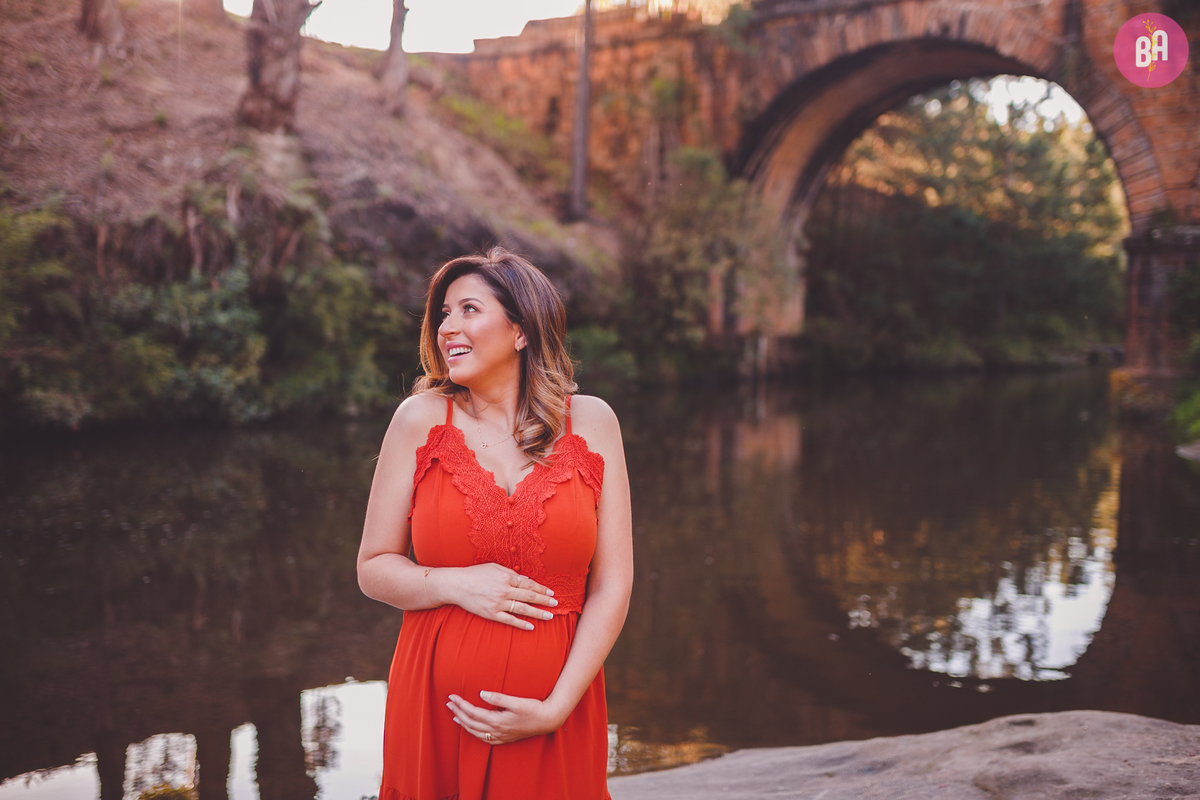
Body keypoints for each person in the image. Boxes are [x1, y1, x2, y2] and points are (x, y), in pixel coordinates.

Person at [357, 247, 633, 800]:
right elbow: (373, 568)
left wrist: (555, 708)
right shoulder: (420, 420)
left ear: (521, 331)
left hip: (556, 712)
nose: (446, 328)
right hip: (436, 716)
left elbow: (612, 584)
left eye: (468, 310)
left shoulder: (594, 423)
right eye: (443, 314)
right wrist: (455, 583)